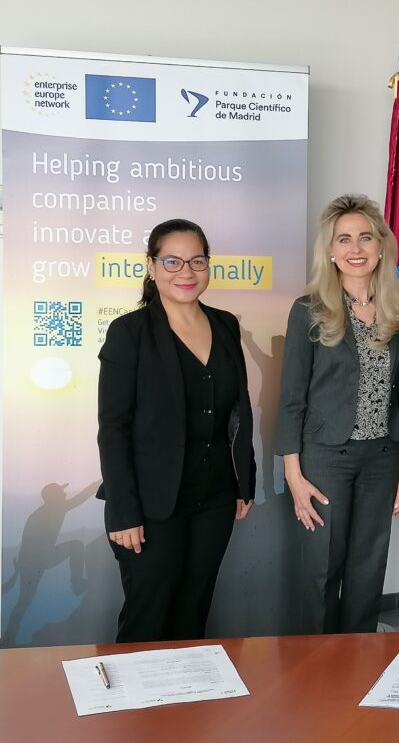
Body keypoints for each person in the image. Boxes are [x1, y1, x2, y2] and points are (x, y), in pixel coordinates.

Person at [97, 218, 256, 643]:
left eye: (196, 261)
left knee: (193, 611)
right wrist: (123, 511)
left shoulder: (225, 324)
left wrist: (244, 481)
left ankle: (184, 689)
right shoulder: (129, 332)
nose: (186, 271)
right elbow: (113, 428)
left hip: (215, 499)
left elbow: (238, 411)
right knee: (148, 615)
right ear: (151, 266)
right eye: (172, 261)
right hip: (150, 505)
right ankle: (134, 690)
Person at [277, 194, 399, 635]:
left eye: (365, 238)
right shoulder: (308, 310)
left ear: (381, 246)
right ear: (331, 250)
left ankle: (357, 661)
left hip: (381, 459)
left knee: (367, 571)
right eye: (344, 239)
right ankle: (317, 666)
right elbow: (292, 398)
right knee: (322, 571)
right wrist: (293, 475)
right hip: (324, 459)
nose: (356, 248)